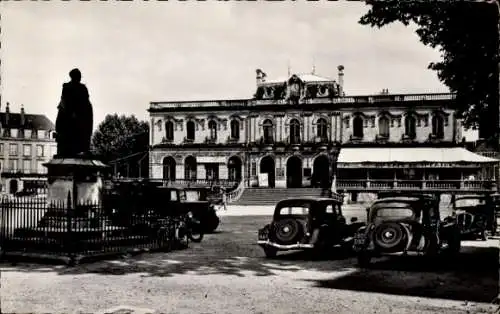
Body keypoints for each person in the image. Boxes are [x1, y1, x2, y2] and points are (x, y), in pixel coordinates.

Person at [55, 68, 94, 157]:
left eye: (79, 76)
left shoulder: (82, 88)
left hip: (80, 113)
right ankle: (72, 148)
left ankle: (81, 148)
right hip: (70, 114)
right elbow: (65, 102)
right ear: (73, 76)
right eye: (78, 76)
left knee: (82, 128)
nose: (79, 78)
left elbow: (86, 101)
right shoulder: (68, 87)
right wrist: (72, 113)